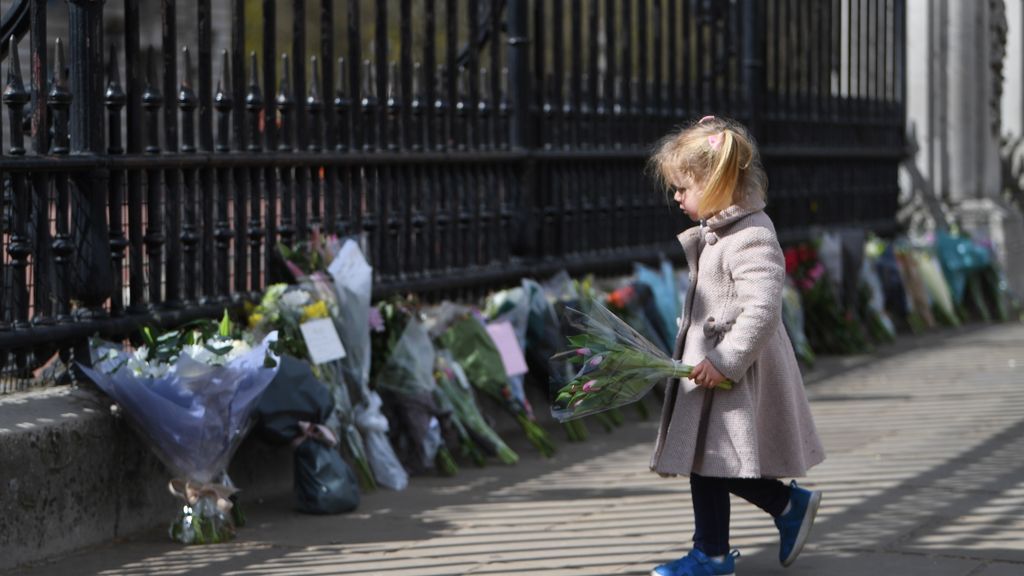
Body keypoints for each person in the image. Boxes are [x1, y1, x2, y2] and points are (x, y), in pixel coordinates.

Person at [646, 116, 826, 576]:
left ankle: (723, 547)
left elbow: (763, 309)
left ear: (718, 182)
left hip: (735, 376)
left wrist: (725, 362)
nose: (677, 197)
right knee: (708, 462)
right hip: (713, 373)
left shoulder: (751, 236)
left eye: (683, 187)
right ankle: (749, 529)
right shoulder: (721, 232)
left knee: (714, 462)